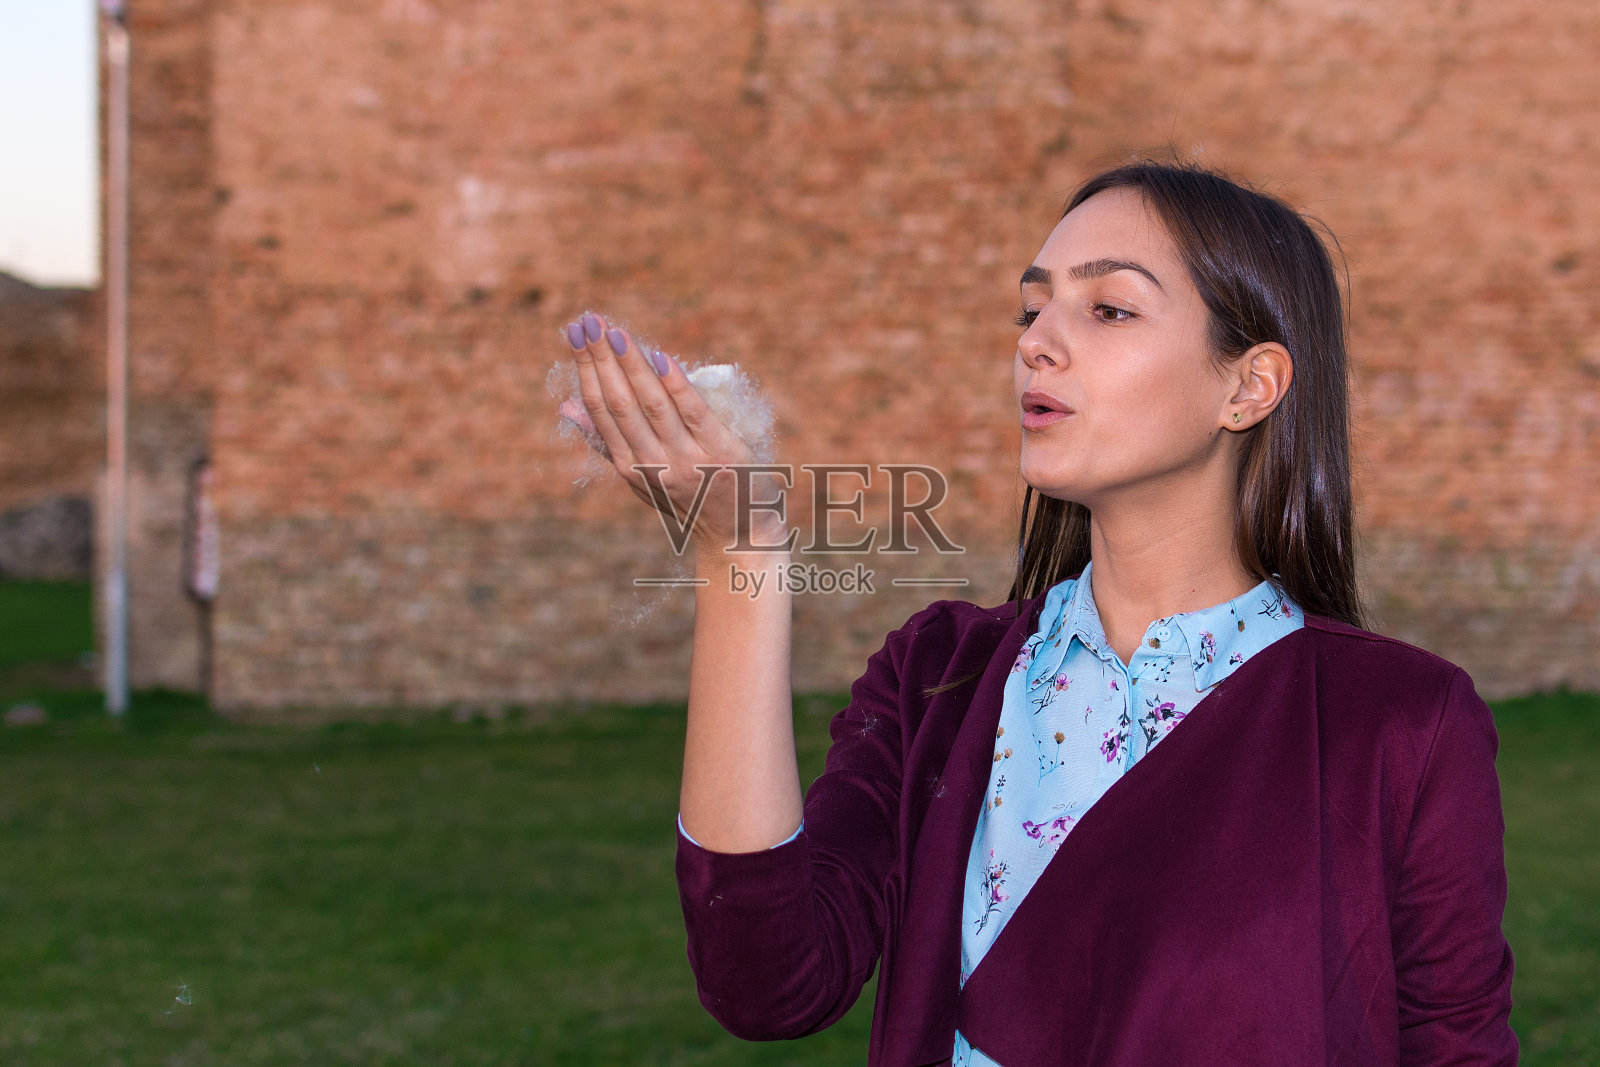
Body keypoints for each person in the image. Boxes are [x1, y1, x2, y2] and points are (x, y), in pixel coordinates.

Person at [558, 159, 1518, 1066]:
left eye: (1107, 307)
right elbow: (765, 981)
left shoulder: (1401, 721)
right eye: (1031, 307)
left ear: (1248, 385)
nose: (1034, 342)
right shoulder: (940, 676)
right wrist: (742, 554)